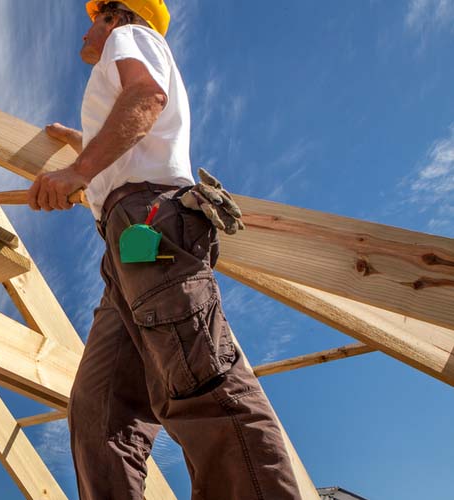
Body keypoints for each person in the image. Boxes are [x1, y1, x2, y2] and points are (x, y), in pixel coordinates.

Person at [27, 2, 301, 498]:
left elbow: (147, 97)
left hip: (148, 227)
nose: (87, 30)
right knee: (99, 411)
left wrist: (79, 170)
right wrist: (82, 149)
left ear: (115, 15)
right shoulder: (120, 60)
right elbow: (132, 129)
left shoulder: (128, 38)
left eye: (95, 16)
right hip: (124, 247)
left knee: (201, 384)